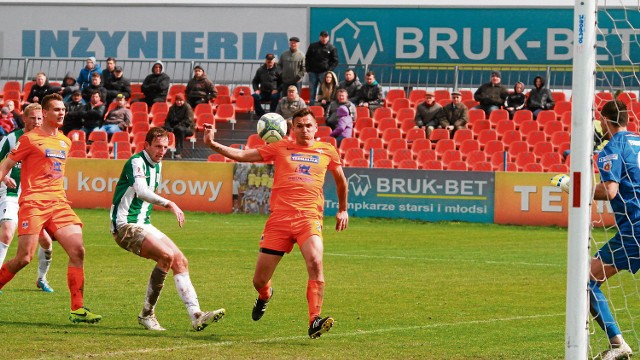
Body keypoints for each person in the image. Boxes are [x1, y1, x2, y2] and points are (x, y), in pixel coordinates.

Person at [203, 107, 349, 339]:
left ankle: (314, 320)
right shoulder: (280, 148)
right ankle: (265, 295)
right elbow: (242, 155)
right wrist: (212, 144)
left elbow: (341, 181)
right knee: (259, 280)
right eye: (299, 126)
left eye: (308, 125)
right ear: (292, 128)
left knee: (315, 261)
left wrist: (342, 209)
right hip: (279, 220)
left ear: (315, 128)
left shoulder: (327, 150)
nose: (304, 130)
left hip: (308, 218)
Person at [110, 126, 225, 331]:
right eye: (157, 146)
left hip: (143, 223)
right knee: (166, 256)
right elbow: (142, 191)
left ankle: (196, 315)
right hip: (124, 225)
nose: (161, 151)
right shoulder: (136, 162)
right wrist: (169, 203)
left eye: (165, 147)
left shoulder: (158, 165)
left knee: (180, 259)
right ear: (146, 145)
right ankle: (147, 314)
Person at [0, 93, 102, 323]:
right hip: (33, 202)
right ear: (45, 113)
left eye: (63, 109)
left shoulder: (66, 141)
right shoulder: (28, 139)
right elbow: (5, 165)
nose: (61, 113)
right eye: (56, 109)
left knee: (78, 250)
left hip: (58, 202)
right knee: (23, 258)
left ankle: (78, 309)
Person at [551, 100, 634, 359]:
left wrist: (571, 186)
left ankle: (618, 343)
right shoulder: (638, 142)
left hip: (636, 231)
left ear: (605, 120)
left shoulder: (612, 148)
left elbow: (610, 192)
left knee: (583, 282)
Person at [0, 103, 55, 293]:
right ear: (25, 118)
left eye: (40, 118)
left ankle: (41, 279)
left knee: (46, 242)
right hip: (11, 195)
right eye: (33, 118)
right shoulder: (11, 138)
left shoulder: (44, 141)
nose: (37, 121)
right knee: (7, 232)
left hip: (32, 199)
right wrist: (5, 177)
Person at [305, 30, 339, 106]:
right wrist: (308, 69)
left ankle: (324, 107)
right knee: (312, 90)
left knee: (325, 90)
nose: (324, 39)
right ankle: (312, 106)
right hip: (313, 72)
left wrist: (329, 71)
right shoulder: (313, 46)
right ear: (320, 37)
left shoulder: (332, 48)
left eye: (326, 37)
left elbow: (335, 61)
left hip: (324, 73)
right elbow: (307, 57)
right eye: (322, 37)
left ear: (328, 38)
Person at [163, 93, 194, 159]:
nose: (179, 102)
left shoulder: (187, 108)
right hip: (174, 127)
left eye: (181, 100)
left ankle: (178, 152)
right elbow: (168, 120)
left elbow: (188, 121)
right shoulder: (172, 108)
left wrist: (177, 126)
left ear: (183, 100)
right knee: (161, 129)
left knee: (180, 130)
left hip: (186, 128)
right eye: (177, 100)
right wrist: (168, 127)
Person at [251, 53, 281, 118]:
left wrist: (277, 90)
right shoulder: (260, 70)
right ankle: (262, 114)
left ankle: (272, 115)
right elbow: (255, 81)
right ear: (265, 60)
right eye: (268, 59)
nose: (269, 61)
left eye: (271, 59)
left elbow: (282, 83)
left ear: (274, 60)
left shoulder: (278, 70)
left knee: (275, 97)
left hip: (274, 93)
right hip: (263, 92)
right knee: (254, 96)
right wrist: (256, 90)